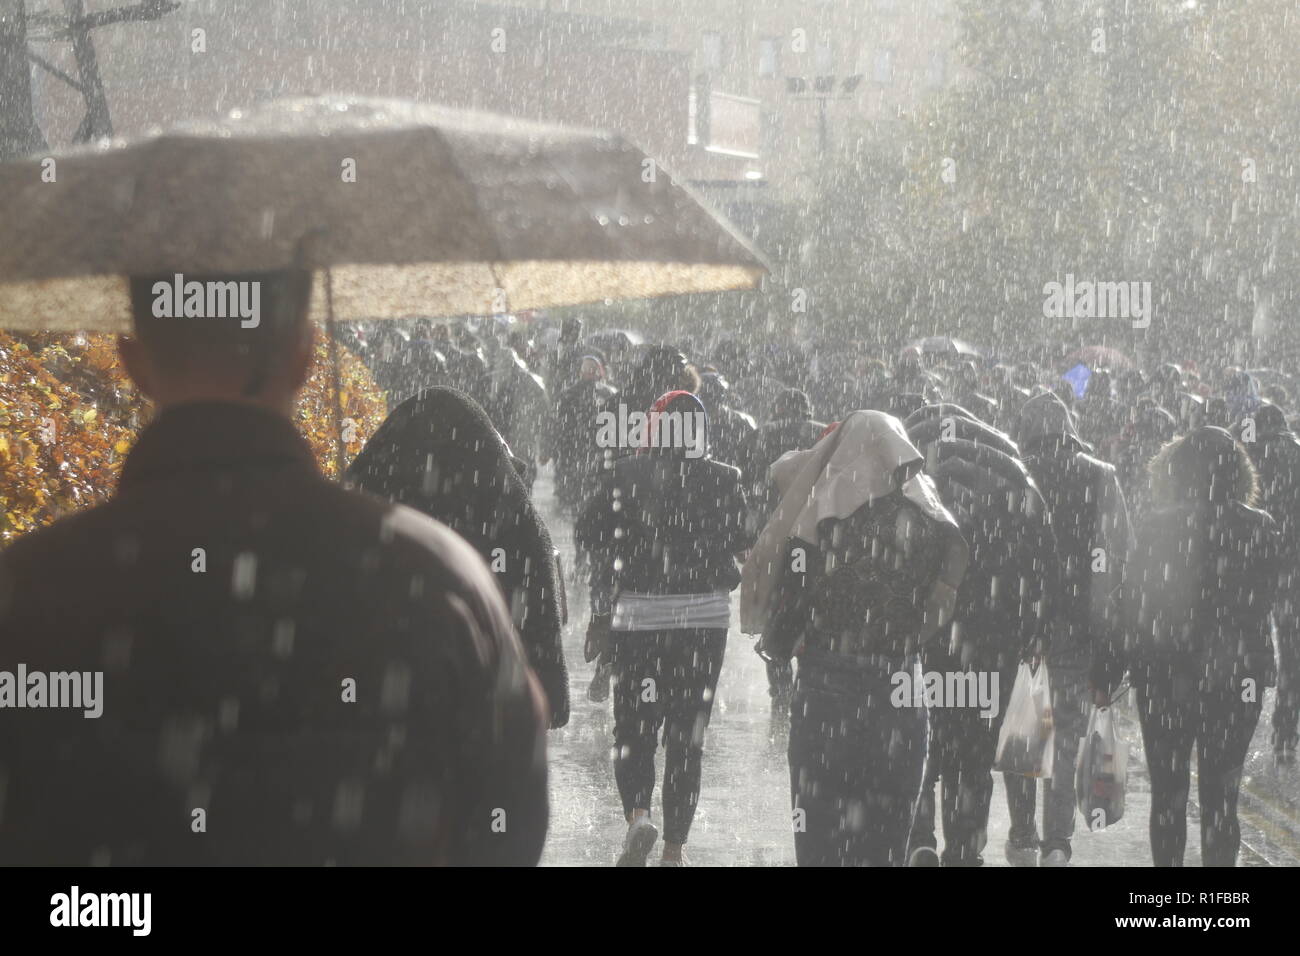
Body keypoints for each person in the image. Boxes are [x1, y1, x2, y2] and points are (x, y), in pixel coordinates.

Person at [0, 271, 548, 865]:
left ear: (131, 359)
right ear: (305, 354)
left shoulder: (27, 592)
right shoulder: (439, 577)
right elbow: (509, 821)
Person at [744, 411, 968, 866]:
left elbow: (790, 607)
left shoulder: (818, 521)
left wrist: (781, 646)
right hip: (900, 695)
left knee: (819, 842)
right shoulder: (928, 522)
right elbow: (941, 606)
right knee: (886, 845)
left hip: (826, 693)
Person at [576, 390, 751, 866]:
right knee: (686, 737)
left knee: (633, 727)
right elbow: (743, 542)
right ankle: (675, 849)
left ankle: (638, 816)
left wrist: (600, 613)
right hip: (705, 622)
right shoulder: (724, 478)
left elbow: (588, 536)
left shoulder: (626, 475)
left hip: (639, 619)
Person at [347, 386, 570, 730]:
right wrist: (547, 692)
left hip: (382, 712)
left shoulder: (364, 510)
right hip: (480, 715)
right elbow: (538, 615)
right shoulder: (510, 515)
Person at [1115, 427, 1281, 866]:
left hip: (1164, 675)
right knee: (1221, 795)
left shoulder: (1157, 525)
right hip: (1237, 677)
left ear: (1177, 470)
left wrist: (1110, 665)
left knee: (1169, 794)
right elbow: (1274, 600)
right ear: (1238, 472)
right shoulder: (1259, 527)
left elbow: (1132, 601)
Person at [1006, 393, 1131, 866]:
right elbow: (1119, 562)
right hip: (1078, 630)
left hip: (1023, 629)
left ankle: (1022, 837)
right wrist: (1111, 644)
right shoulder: (1102, 475)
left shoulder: (1015, 470)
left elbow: (1006, 551)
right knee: (1065, 737)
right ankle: (1058, 842)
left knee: (1024, 731)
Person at [1239, 403, 1300, 762]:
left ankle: (1245, 710)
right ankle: (1285, 722)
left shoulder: (1255, 457)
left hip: (1261, 562)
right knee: (1293, 647)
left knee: (1255, 635)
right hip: (1294, 565)